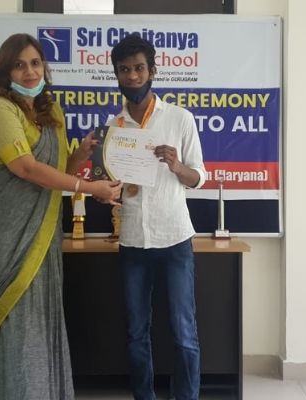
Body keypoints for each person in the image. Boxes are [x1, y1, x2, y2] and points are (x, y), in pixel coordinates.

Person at [0, 33, 122, 400]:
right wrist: (91, 188)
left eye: (35, 63)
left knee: (41, 320)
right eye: (19, 65)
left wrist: (81, 155)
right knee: (17, 322)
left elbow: (55, 171)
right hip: (5, 232)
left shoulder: (52, 114)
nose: (29, 71)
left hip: (43, 232)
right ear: (5, 72)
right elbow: (26, 168)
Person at [107, 34, 207, 400]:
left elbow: (199, 177)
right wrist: (110, 191)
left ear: (152, 71)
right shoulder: (115, 128)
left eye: (139, 68)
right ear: (117, 75)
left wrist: (177, 166)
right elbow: (113, 185)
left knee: (184, 332)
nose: (132, 76)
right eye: (124, 70)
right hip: (133, 240)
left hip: (175, 238)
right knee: (136, 333)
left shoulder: (180, 119)